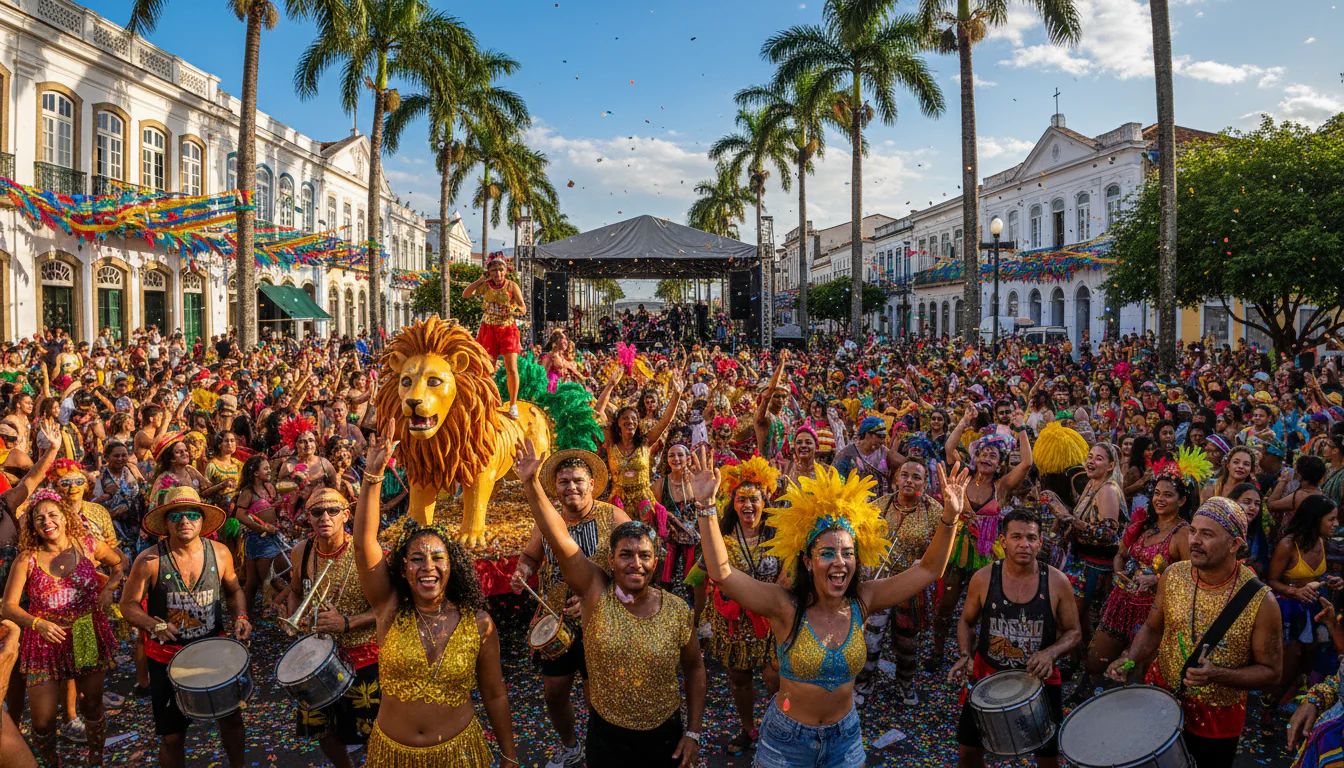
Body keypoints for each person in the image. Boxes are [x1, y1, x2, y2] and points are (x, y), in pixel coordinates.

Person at [691, 445, 969, 768]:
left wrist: (950, 517)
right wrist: (706, 505)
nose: (839, 562)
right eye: (827, 553)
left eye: (847, 553)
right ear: (808, 561)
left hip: (845, 740)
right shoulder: (785, 606)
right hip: (787, 743)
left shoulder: (864, 600)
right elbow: (722, 573)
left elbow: (928, 571)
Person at [514, 438, 705, 768]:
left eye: (644, 555)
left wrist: (694, 732)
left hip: (663, 732)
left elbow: (694, 667)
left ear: (656, 561)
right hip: (560, 629)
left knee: (597, 688)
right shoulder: (591, 588)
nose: (635, 563)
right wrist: (531, 485)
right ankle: (573, 746)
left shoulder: (674, 609)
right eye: (625, 556)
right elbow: (557, 544)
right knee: (555, 691)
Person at [353, 425, 518, 767]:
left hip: (458, 754)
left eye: (437, 557)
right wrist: (372, 475)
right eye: (416, 558)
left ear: (452, 566)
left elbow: (494, 693)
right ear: (402, 569)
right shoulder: (389, 608)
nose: (427, 566)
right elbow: (363, 544)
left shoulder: (479, 623)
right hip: (391, 757)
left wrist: (509, 755)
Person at [1106, 497, 1283, 768]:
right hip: (1162, 699)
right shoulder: (1173, 575)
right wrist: (1131, 658)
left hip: (1216, 721)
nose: (1194, 541)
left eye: (1207, 534)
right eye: (1193, 531)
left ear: (1235, 544)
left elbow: (1271, 673)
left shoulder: (1261, 601)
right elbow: (1154, 627)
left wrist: (1218, 675)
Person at [509, 448, 628, 768]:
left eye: (578, 481)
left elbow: (639, 568)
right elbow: (531, 556)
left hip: (603, 622)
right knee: (554, 693)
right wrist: (522, 570)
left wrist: (604, 596)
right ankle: (571, 746)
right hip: (556, 622)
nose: (571, 487)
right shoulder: (548, 519)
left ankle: (601, 751)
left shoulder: (613, 517)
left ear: (592, 484)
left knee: (597, 697)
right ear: (556, 487)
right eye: (564, 482)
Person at [119, 487, 252, 768]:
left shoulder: (220, 552)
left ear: (202, 520)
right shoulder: (149, 560)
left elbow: (234, 591)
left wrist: (241, 617)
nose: (185, 522)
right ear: (165, 523)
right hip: (167, 659)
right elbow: (128, 605)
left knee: (231, 721)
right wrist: (152, 625)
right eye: (176, 516)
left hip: (214, 653)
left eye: (192, 515)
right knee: (172, 736)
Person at [1, 489, 125, 766]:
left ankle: (96, 758)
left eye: (52, 515)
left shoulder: (88, 545)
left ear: (66, 518)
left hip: (84, 634)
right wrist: (37, 623)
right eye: (38, 518)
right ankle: (51, 761)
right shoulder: (27, 559)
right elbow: (8, 607)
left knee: (91, 705)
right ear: (32, 526)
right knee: (43, 721)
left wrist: (109, 590)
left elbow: (120, 563)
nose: (47, 522)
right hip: (44, 641)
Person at [950, 509, 1081, 768]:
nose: (1024, 544)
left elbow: (1074, 632)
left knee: (1047, 759)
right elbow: (966, 621)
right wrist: (965, 654)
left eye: (1031, 538)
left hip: (1039, 683)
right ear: (1003, 541)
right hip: (988, 679)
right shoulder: (984, 578)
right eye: (1017, 537)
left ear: (1040, 543)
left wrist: (1050, 653)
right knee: (968, 753)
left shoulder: (1056, 581)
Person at [688, 457, 782, 754]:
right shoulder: (722, 538)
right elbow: (698, 577)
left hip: (772, 625)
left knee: (777, 681)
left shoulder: (780, 536)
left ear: (765, 500)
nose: (748, 505)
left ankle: (780, 726)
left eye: (754, 498)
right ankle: (749, 728)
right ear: (733, 503)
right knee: (740, 680)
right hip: (733, 626)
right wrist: (697, 618)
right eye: (741, 499)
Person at [1081, 455, 1195, 701]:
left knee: (1139, 678)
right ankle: (1096, 707)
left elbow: (1189, 577)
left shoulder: (1183, 533)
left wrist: (1157, 579)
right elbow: (1120, 555)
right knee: (1094, 662)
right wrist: (1119, 571)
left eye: (1168, 495)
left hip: (1152, 616)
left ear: (1182, 500)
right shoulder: (1144, 526)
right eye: (1157, 493)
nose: (1160, 499)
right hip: (1120, 603)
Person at [283, 488, 379, 768]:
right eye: (316, 512)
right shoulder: (301, 551)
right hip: (318, 656)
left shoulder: (365, 552)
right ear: (308, 518)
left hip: (364, 654)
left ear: (346, 516)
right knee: (321, 727)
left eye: (333, 511)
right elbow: (296, 591)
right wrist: (295, 614)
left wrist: (346, 623)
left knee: (372, 729)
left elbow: (387, 607)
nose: (325, 517)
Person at [853, 459, 946, 707]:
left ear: (924, 483)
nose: (909, 481)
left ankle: (905, 682)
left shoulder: (934, 511)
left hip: (911, 589)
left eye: (916, 477)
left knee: (907, 642)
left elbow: (942, 548)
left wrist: (922, 564)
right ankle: (864, 683)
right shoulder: (878, 506)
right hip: (879, 585)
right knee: (870, 639)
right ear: (895, 479)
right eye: (904, 475)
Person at [1266, 494, 1342, 707]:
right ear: (1315, 519)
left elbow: (1315, 578)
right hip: (1290, 611)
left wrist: (1331, 581)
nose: (1336, 524)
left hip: (1314, 607)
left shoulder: (1320, 540)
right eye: (1331, 519)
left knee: (1311, 654)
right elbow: (1271, 580)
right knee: (1291, 658)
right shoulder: (1288, 545)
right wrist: (1293, 592)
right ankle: (1271, 703)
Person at [463, 256, 527, 419]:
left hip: (508, 329)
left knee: (511, 368)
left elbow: (523, 308)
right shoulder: (485, 286)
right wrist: (480, 280)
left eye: (500, 270)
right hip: (489, 328)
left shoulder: (512, 286)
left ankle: (513, 404)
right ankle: (489, 401)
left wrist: (514, 310)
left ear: (506, 271)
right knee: (487, 369)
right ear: (489, 272)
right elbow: (466, 294)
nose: (497, 273)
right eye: (493, 270)